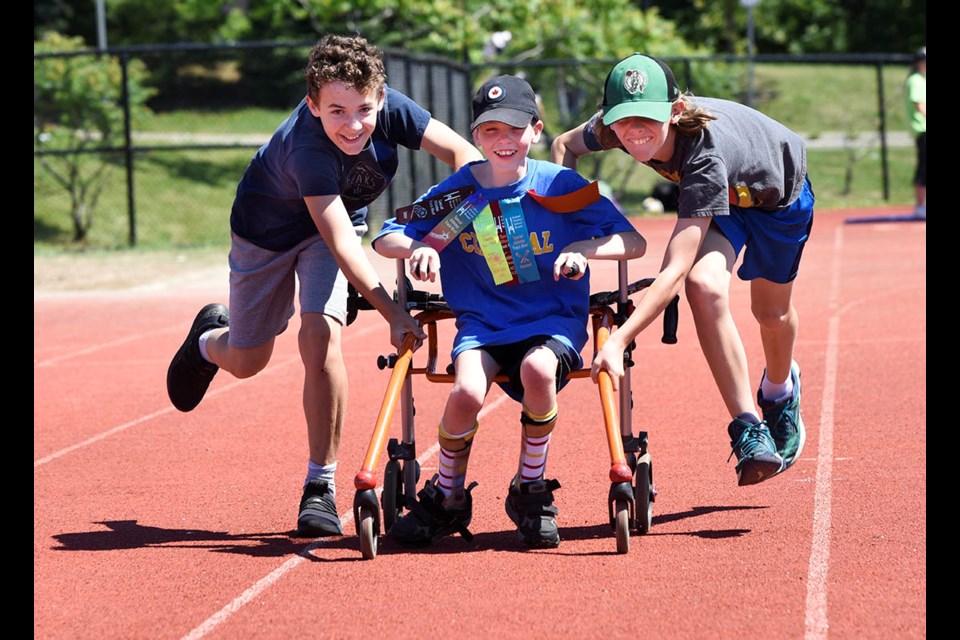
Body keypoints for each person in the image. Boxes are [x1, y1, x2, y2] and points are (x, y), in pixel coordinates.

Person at [165, 34, 482, 538]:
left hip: (332, 228)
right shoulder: (307, 149)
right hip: (265, 234)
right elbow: (341, 244)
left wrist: (453, 226)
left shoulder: (387, 107)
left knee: (320, 336)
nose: (354, 124)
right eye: (336, 111)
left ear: (381, 97)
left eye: (364, 109)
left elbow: (467, 158)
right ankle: (208, 341)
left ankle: (320, 484)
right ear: (312, 104)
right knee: (248, 361)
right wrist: (391, 311)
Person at [372, 74, 646, 548]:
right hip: (483, 323)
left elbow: (633, 241)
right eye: (491, 130)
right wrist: (429, 246)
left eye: (515, 129)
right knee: (465, 392)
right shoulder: (458, 192)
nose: (504, 141)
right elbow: (387, 236)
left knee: (539, 370)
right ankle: (447, 495)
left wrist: (584, 248)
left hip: (551, 320)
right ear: (475, 135)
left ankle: (530, 488)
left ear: (535, 132)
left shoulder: (561, 184)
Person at [551, 53, 813, 487]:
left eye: (647, 120)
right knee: (704, 286)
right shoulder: (610, 129)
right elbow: (565, 145)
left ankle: (780, 390)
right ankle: (750, 427)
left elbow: (671, 269)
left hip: (776, 197)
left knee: (771, 315)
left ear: (674, 111)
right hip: (719, 202)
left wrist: (617, 340)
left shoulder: (704, 155)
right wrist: (568, 222)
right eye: (623, 121)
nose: (635, 133)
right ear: (609, 119)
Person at [905, 46, 926, 219]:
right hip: (923, 129)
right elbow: (919, 105)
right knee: (923, 168)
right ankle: (920, 206)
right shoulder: (916, 80)